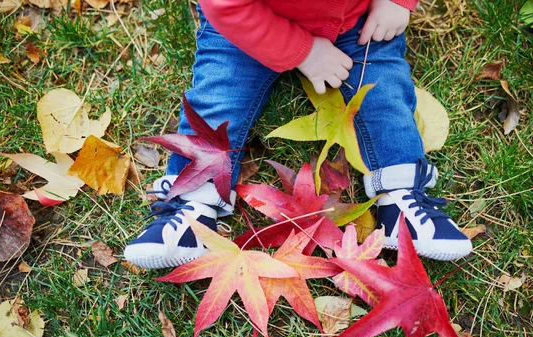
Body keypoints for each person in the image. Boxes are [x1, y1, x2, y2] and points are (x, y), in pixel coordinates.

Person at [124, 0, 472, 269]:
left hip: (356, 19)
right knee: (220, 98)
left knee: (383, 95)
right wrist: (302, 51)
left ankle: (401, 200)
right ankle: (192, 209)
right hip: (249, 27)